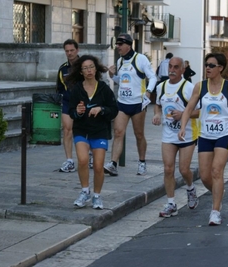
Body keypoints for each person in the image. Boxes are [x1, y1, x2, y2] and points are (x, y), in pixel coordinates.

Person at [178, 52, 228, 226]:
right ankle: (219, 192)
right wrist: (182, 126)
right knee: (204, 176)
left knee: (217, 171)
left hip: (224, 134)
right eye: (206, 65)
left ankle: (215, 211)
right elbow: (189, 109)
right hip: (205, 135)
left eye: (211, 65)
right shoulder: (200, 87)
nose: (207, 68)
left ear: (220, 68)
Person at [68, 55, 119, 209]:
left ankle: (97, 195)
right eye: (85, 68)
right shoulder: (76, 89)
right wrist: (78, 111)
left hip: (99, 131)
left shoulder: (104, 88)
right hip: (81, 130)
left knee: (98, 166)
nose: (89, 70)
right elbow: (71, 112)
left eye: (91, 67)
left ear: (96, 69)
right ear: (81, 72)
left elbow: (114, 110)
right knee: (82, 160)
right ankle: (84, 191)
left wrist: (101, 109)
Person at [152, 57, 200, 218]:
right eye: (170, 67)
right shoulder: (161, 87)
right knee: (168, 168)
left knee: (184, 169)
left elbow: (200, 111)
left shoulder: (189, 88)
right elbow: (158, 104)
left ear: (182, 70)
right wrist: (157, 114)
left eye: (176, 67)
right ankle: (171, 203)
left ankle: (191, 188)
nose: (172, 70)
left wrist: (184, 114)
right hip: (168, 134)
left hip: (187, 134)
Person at [105, 33, 157, 176]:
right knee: (118, 132)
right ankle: (113, 164)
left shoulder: (140, 59)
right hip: (122, 102)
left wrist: (148, 92)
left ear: (128, 45)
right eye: (116, 44)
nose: (117, 47)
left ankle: (142, 162)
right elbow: (120, 81)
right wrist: (111, 75)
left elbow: (152, 77)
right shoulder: (120, 61)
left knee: (139, 134)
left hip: (138, 103)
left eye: (120, 44)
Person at [57, 39, 93, 172]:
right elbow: (60, 88)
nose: (69, 53)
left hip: (84, 101)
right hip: (68, 102)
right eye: (67, 51)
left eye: (72, 50)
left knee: (86, 129)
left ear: (77, 50)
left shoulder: (85, 65)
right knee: (67, 129)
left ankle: (89, 155)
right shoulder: (63, 69)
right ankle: (69, 161)